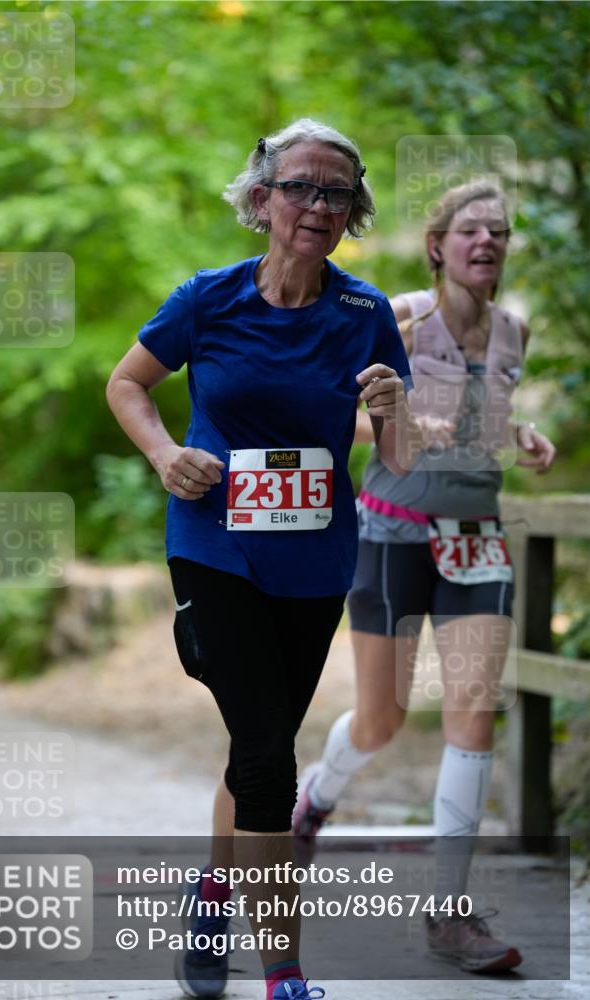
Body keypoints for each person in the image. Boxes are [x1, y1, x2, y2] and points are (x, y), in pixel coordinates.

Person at [106, 118, 417, 1000]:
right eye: (299, 187)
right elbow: (127, 384)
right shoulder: (206, 299)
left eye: (336, 192)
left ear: (352, 210)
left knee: (260, 744)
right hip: (214, 546)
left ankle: (211, 897)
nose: (318, 205)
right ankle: (285, 974)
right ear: (261, 198)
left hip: (315, 559)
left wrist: (393, 409)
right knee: (270, 765)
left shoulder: (363, 313)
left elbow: (397, 459)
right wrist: (166, 455)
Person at [292, 179, 557, 974]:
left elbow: (483, 415)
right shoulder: (397, 316)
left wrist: (521, 434)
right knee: (382, 720)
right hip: (391, 534)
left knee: (473, 712)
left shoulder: (513, 330)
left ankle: (448, 911)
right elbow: (323, 408)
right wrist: (398, 418)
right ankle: (315, 800)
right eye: (470, 230)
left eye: (498, 232)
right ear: (437, 246)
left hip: (476, 538)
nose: (487, 242)